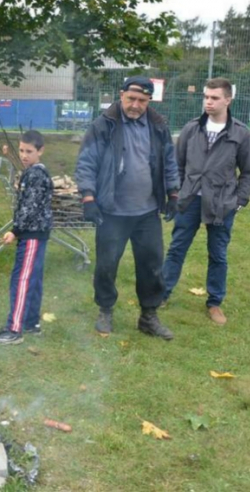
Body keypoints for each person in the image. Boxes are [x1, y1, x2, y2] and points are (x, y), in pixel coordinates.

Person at [74, 76, 180, 341]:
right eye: (131, 99)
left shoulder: (158, 126)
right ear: (121, 95)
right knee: (107, 264)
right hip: (112, 211)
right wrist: (88, 198)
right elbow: (86, 163)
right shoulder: (103, 126)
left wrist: (173, 193)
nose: (135, 105)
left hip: (147, 211)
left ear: (149, 101)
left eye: (142, 101)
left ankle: (148, 316)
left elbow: (169, 161)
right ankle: (105, 310)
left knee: (152, 265)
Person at [162, 77, 250, 325]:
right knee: (176, 249)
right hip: (190, 200)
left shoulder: (241, 133)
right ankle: (162, 293)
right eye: (206, 97)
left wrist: (239, 201)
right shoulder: (191, 128)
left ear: (228, 99)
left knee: (218, 254)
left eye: (214, 98)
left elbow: (248, 172)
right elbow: (177, 165)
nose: (209, 102)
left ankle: (215, 302)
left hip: (222, 203)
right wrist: (177, 192)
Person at [0, 131, 53, 345]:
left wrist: (15, 231)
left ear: (40, 151)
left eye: (29, 151)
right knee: (33, 279)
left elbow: (30, 207)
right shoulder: (32, 172)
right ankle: (31, 322)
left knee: (22, 280)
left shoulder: (35, 174)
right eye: (22, 150)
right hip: (35, 233)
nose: (24, 155)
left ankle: (14, 329)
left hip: (32, 235)